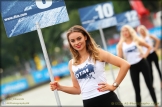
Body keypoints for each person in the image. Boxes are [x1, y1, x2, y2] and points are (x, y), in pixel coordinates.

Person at [50, 25, 130, 107]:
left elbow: (125, 64)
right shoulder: (72, 64)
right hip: (88, 102)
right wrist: (60, 87)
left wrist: (114, 86)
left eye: (79, 38)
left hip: (107, 99)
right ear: (70, 43)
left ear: (85, 37)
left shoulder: (97, 54)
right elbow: (77, 89)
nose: (76, 43)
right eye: (72, 41)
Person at [116, 25, 158, 107]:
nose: (125, 32)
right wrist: (119, 52)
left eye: (126, 30)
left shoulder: (136, 40)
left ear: (130, 31)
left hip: (142, 63)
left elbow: (149, 47)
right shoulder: (121, 44)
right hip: (132, 67)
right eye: (123, 31)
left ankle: (156, 104)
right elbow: (119, 58)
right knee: (137, 90)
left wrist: (145, 55)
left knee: (149, 85)